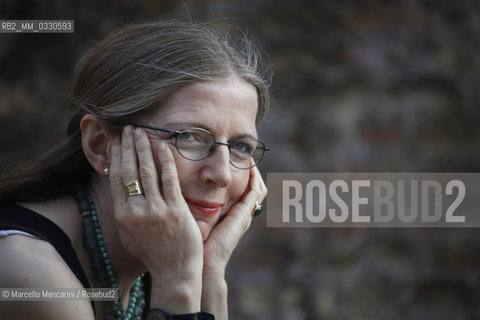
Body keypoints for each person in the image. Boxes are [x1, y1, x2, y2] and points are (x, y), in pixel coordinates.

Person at [0, 20, 270, 320]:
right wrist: (177, 282)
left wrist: (210, 273)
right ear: (101, 144)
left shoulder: (169, 257)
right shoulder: (27, 269)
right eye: (189, 137)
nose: (222, 174)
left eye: (240, 146)